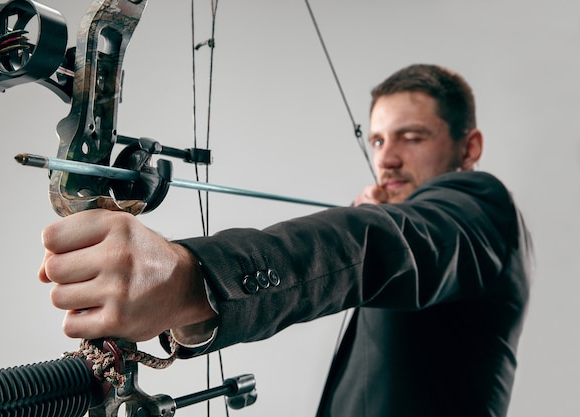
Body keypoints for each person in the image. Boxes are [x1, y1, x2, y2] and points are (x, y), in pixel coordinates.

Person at [38, 64, 533, 416]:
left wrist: (191, 279)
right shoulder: (411, 230)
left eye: (413, 137)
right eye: (379, 140)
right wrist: (187, 313)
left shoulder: (480, 206)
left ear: (469, 148)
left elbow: (377, 244)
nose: (387, 159)